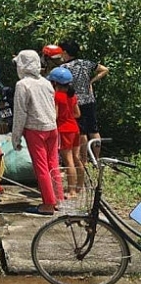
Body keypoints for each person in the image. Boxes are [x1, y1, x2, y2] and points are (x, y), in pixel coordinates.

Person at [12, 50, 62, 215]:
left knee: (41, 168)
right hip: (52, 128)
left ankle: (48, 204)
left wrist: (16, 138)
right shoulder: (46, 82)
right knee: (53, 165)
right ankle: (58, 200)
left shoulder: (22, 85)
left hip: (35, 130)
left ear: (22, 65)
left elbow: (20, 113)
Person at [58, 41, 109, 162]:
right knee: (93, 129)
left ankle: (84, 159)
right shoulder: (86, 63)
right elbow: (105, 69)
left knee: (82, 132)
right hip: (89, 99)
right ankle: (96, 158)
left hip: (75, 102)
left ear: (65, 52)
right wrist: (91, 81)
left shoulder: (64, 68)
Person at [47, 67, 84, 199]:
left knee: (68, 161)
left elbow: (55, 115)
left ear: (55, 83)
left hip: (64, 130)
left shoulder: (56, 96)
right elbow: (77, 114)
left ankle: (71, 191)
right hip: (75, 128)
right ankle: (80, 186)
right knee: (76, 158)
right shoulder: (72, 95)